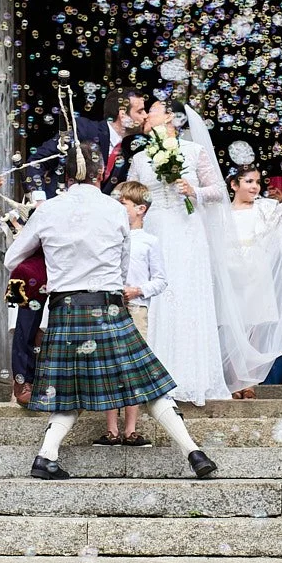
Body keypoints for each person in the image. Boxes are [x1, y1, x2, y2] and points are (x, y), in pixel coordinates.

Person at [6, 140, 215, 481]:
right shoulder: (116, 210)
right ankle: (193, 450)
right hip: (109, 308)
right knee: (148, 386)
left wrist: (54, 260)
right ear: (101, 172)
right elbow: (122, 264)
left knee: (67, 393)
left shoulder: (47, 211)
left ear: (67, 174)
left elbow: (11, 259)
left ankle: (46, 456)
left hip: (66, 310)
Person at [130, 102, 231, 406]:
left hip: (187, 232)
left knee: (185, 298)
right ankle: (155, 378)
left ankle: (190, 377)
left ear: (170, 118)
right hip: (153, 231)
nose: (146, 114)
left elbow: (219, 191)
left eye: (153, 110)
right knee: (156, 301)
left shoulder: (193, 151)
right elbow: (129, 194)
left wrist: (194, 191)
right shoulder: (138, 157)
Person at [209, 162, 282, 400]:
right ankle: (233, 383)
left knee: (256, 327)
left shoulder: (264, 209)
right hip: (231, 273)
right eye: (249, 181)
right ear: (234, 184)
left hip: (256, 272)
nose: (255, 187)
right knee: (230, 326)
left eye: (258, 182)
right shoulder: (221, 213)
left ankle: (249, 383)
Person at [104, 180, 169, 444]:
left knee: (132, 366)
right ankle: (111, 428)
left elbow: (161, 280)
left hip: (137, 308)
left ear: (141, 209)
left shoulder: (149, 241)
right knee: (109, 365)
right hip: (109, 307)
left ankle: (131, 428)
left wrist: (138, 290)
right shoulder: (109, 237)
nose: (119, 209)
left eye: (124, 205)